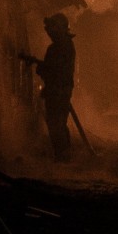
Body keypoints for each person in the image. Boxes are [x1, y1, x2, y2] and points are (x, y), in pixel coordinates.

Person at [29, 13, 77, 162]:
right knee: (56, 122)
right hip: (57, 89)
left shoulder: (63, 47)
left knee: (57, 123)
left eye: (53, 28)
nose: (50, 32)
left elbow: (57, 69)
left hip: (59, 89)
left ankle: (63, 155)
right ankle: (62, 155)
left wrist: (42, 67)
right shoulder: (60, 47)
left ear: (62, 28)